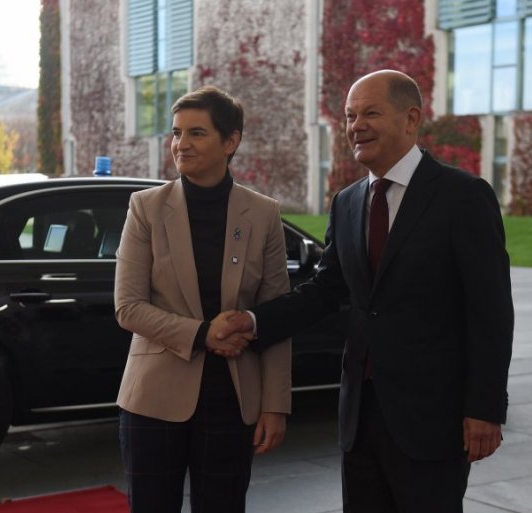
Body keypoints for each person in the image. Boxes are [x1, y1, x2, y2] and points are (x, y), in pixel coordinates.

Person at [217, 70, 514, 512]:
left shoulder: (464, 196)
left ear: (411, 119)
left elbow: (491, 312)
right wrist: (255, 321)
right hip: (360, 417)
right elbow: (326, 289)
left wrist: (485, 408)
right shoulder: (348, 202)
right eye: (350, 116)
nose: (356, 126)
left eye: (370, 113)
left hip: (432, 419)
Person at [113, 85, 291, 513]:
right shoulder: (146, 207)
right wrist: (202, 334)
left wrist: (275, 405)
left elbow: (276, 315)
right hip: (153, 398)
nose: (181, 144)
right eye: (176, 133)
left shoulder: (263, 213)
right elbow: (128, 306)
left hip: (233, 398)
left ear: (230, 142)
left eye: (196, 133)